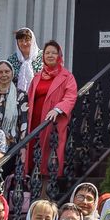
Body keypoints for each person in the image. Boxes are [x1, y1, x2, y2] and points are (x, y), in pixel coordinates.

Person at [27, 41, 78, 179]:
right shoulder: (37, 76)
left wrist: (58, 109)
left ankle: (46, 192)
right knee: (32, 156)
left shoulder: (67, 77)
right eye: (47, 52)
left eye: (54, 53)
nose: (50, 55)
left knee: (49, 158)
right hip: (34, 122)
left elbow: (70, 96)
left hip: (52, 122)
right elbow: (29, 97)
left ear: (59, 56)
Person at [0, 58, 20, 134]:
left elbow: (23, 122)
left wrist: (23, 144)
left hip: (13, 142)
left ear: (12, 73)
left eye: (7, 71)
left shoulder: (21, 95)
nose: (4, 74)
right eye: (0, 72)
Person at [11, 27, 38, 95]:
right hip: (16, 98)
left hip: (38, 97)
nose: (24, 43)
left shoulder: (42, 57)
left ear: (32, 41)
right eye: (20, 41)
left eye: (27, 40)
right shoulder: (12, 59)